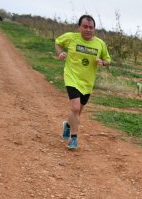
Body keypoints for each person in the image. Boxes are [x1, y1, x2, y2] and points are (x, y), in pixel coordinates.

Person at [55, 15, 111, 150]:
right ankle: (73, 138)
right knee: (74, 107)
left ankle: (68, 125)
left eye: (91, 27)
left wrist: (102, 62)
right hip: (72, 77)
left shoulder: (100, 44)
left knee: (78, 112)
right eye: (85, 27)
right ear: (79, 27)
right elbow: (57, 42)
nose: (88, 30)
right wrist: (60, 53)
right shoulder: (71, 37)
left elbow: (108, 60)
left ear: (94, 29)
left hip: (87, 83)